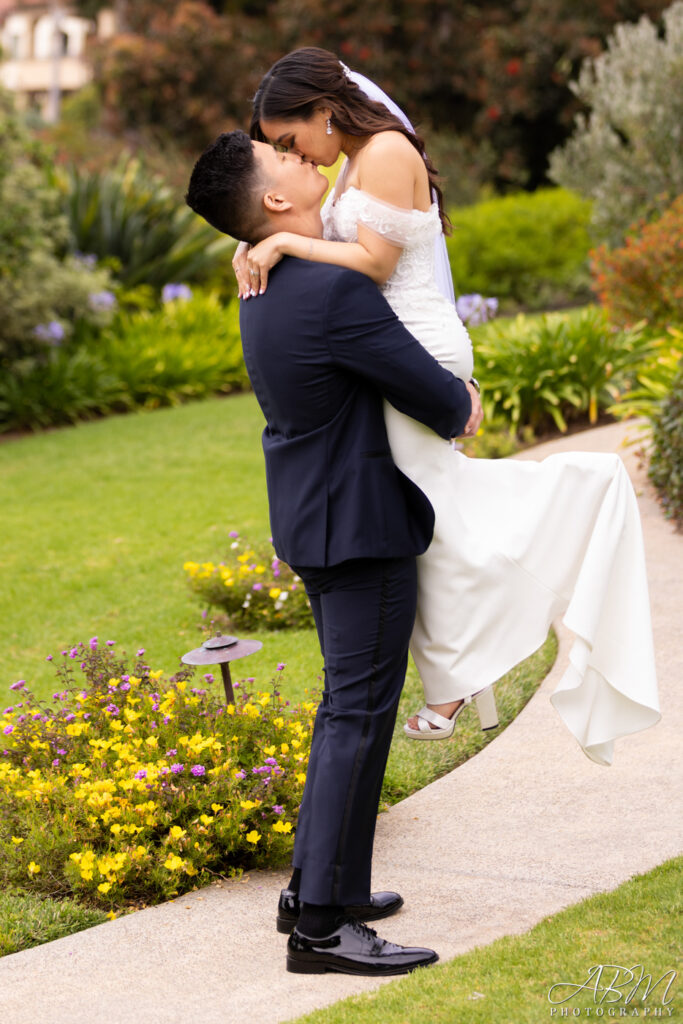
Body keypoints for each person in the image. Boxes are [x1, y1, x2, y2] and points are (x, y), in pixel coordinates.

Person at [234, 47, 660, 765]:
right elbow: (329, 243)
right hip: (395, 342)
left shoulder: (388, 151)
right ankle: (458, 672)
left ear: (323, 111)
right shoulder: (352, 161)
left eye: (290, 138)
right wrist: (261, 242)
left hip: (421, 345)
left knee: (428, 508)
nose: (291, 153)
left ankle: (460, 672)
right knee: (427, 506)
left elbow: (374, 262)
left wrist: (282, 242)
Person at [186, 129, 480, 974]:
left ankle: (325, 887)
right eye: (281, 158)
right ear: (274, 202)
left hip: (317, 519)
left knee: (344, 710)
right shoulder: (323, 286)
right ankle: (319, 929)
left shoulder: (269, 277)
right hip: (359, 528)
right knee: (355, 715)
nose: (301, 156)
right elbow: (436, 400)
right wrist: (462, 398)